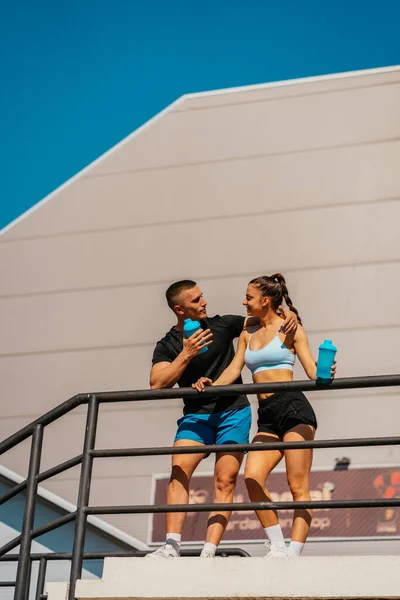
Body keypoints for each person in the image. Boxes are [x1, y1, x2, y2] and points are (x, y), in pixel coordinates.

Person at [147, 279, 298, 558]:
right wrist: (187, 353)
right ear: (180, 310)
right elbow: (157, 382)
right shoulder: (168, 344)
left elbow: (266, 317)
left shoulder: (223, 324)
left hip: (233, 412)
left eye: (202, 296)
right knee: (179, 470)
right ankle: (171, 546)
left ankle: (209, 549)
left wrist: (286, 314)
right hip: (196, 417)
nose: (204, 302)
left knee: (225, 480)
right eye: (196, 300)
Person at [193, 273, 336, 557]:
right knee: (252, 477)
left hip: (294, 408)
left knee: (298, 486)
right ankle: (278, 546)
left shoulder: (291, 328)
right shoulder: (247, 333)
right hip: (267, 415)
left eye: (248, 297)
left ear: (265, 300)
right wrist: (210, 384)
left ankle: (293, 555)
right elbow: (234, 370)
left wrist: (325, 370)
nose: (243, 301)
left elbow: (310, 369)